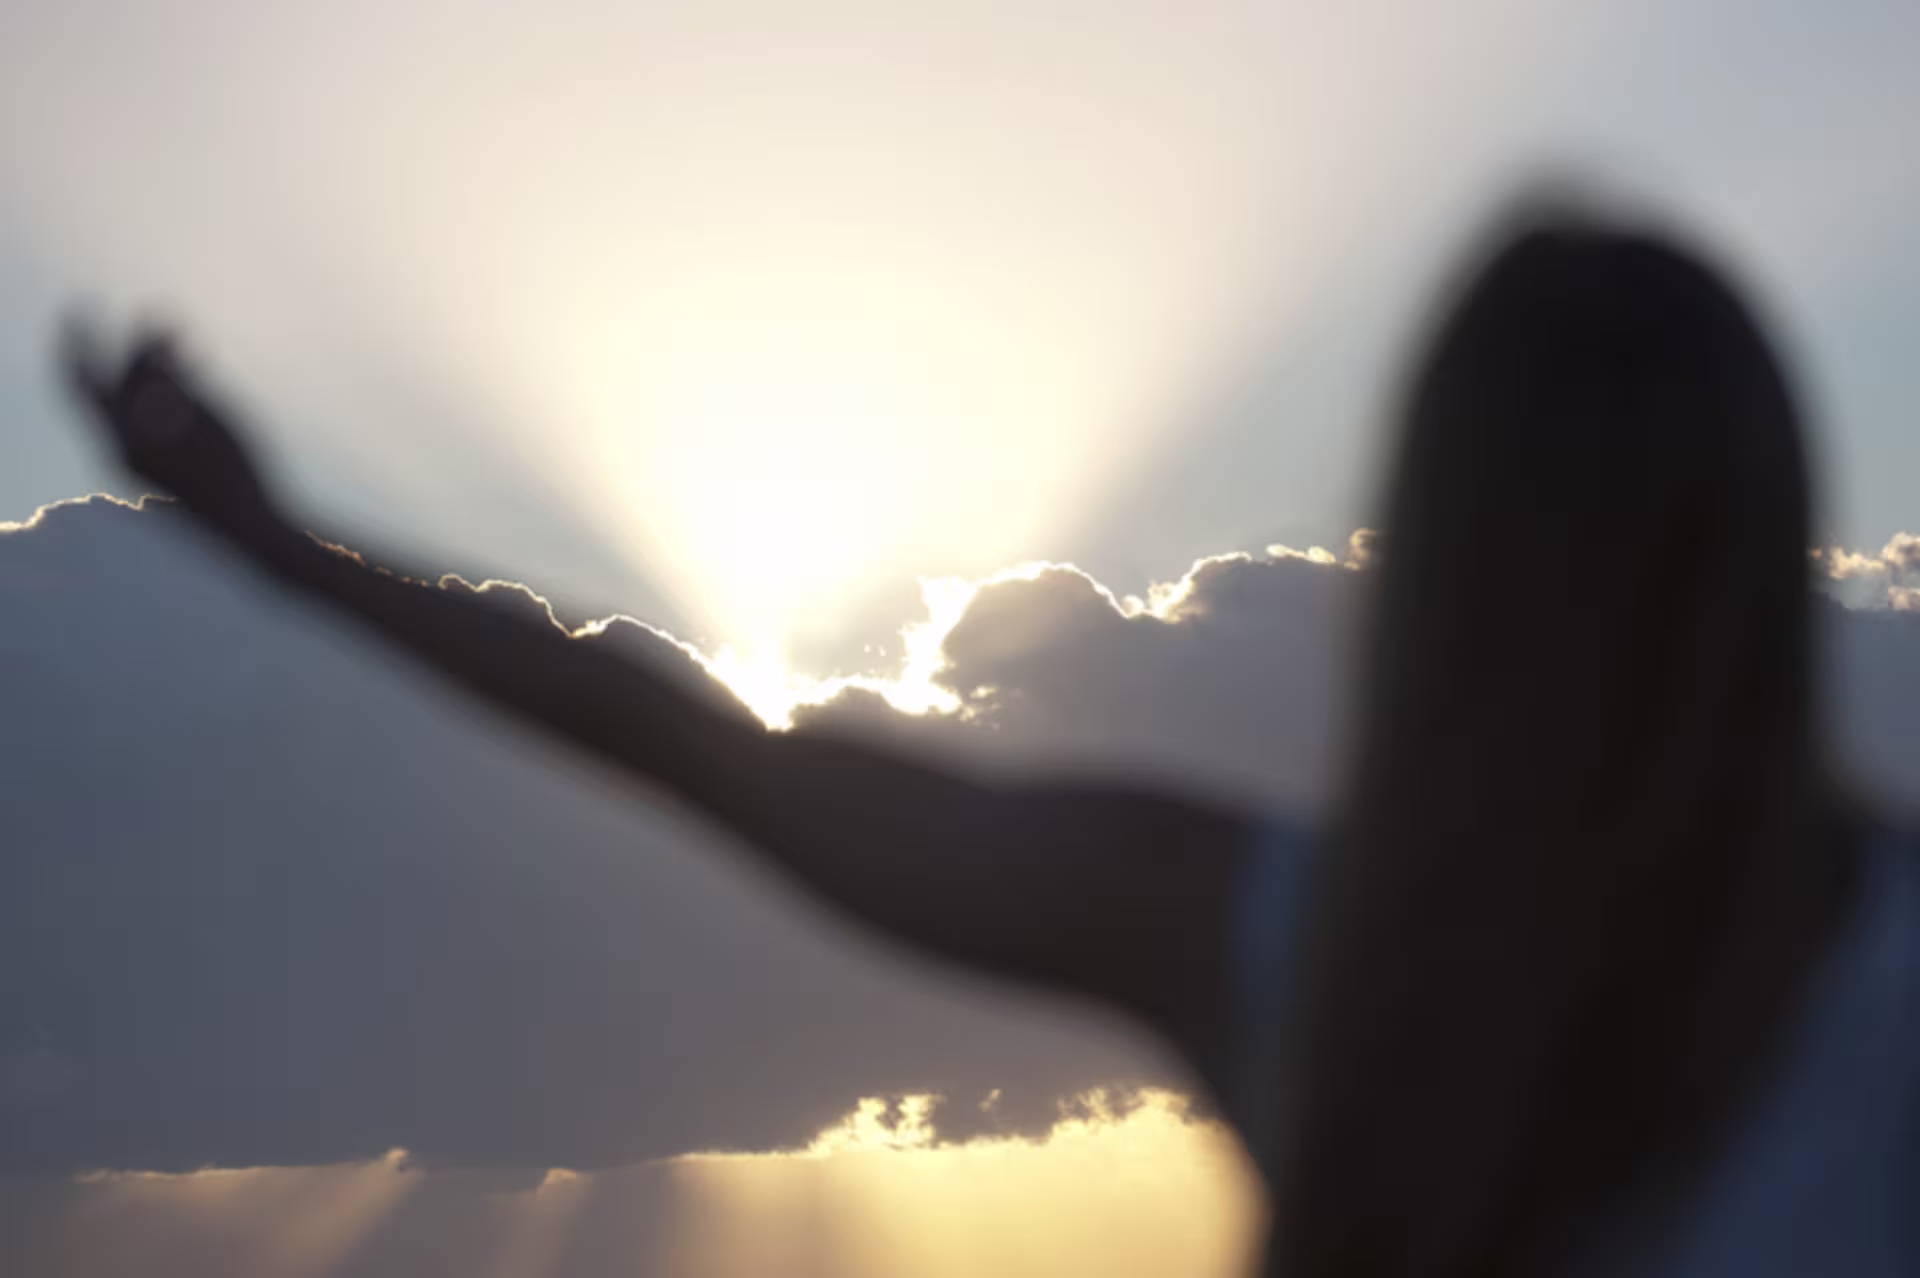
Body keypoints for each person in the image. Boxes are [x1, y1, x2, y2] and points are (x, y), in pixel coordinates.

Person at [61, 212, 1918, 1278]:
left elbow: (691, 746)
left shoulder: (1276, 939)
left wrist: (272, 539)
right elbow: (694, 742)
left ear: (1434, 579)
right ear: (1758, 549)